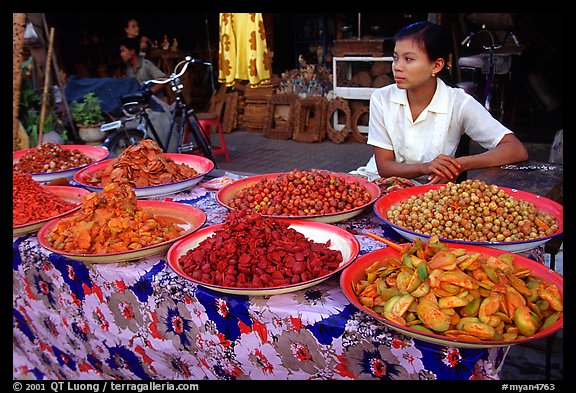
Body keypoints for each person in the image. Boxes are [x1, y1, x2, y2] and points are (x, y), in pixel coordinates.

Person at [361, 21, 528, 184]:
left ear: (436, 65)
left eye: (408, 59)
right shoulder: (382, 98)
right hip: (379, 183)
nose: (397, 67)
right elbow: (384, 167)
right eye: (396, 58)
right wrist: (425, 167)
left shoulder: (458, 103)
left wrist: (460, 164)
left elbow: (515, 149)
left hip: (429, 193)